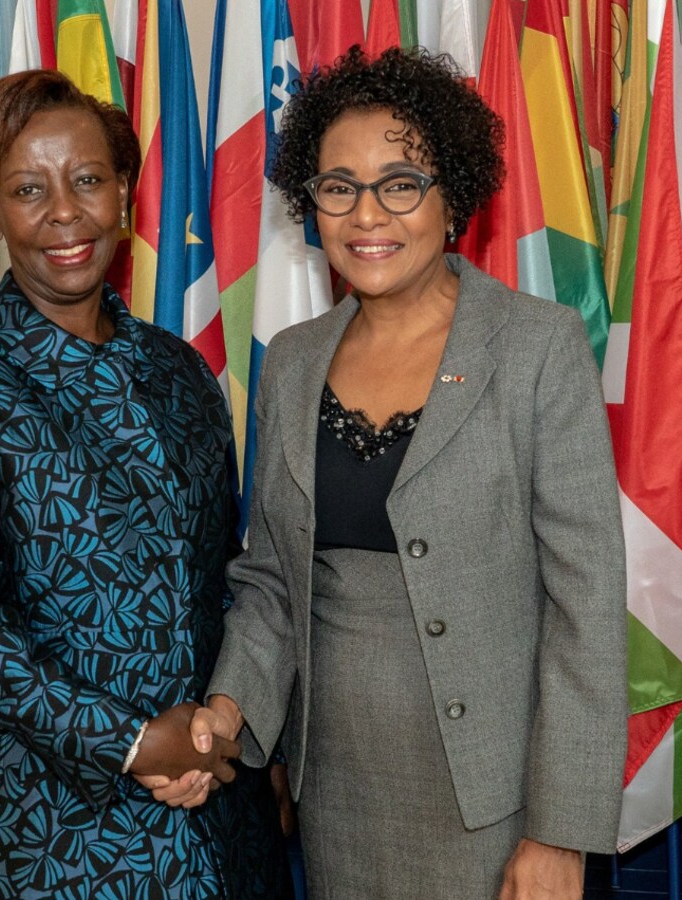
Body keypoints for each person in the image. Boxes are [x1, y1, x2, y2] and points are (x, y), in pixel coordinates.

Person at [193, 47, 629, 899]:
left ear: (452, 197)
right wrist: (228, 710)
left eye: (400, 183)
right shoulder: (291, 361)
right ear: (308, 202)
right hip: (339, 799)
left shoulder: (537, 346)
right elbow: (276, 580)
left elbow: (587, 603)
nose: (368, 214)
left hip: (499, 804)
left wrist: (559, 831)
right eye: (338, 187)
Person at [0, 70, 288, 899]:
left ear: (126, 193)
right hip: (41, 839)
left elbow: (225, 578)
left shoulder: (181, 373)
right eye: (29, 189)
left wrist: (222, 721)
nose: (66, 212)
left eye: (89, 179)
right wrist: (133, 743)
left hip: (214, 829)